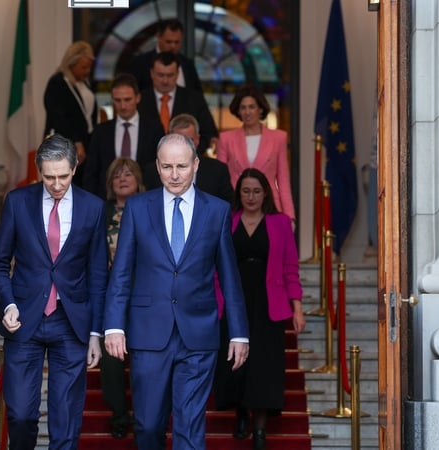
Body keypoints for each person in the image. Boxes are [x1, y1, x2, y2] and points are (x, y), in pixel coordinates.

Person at [104, 133, 250, 450]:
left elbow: (230, 276)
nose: (174, 174)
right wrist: (114, 325)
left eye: (181, 166)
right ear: (157, 167)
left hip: (198, 332)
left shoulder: (217, 210)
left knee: (190, 425)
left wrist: (239, 332)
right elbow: (122, 271)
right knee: (148, 425)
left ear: (196, 164)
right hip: (148, 331)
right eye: (167, 166)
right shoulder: (137, 207)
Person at [0, 134, 108, 450]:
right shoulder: (18, 202)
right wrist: (8, 304)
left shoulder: (94, 208)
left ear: (75, 168)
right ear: (39, 171)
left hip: (71, 322)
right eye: (49, 177)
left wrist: (95, 333)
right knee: (20, 416)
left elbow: (98, 276)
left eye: (63, 176)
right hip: (23, 319)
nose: (56, 184)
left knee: (66, 421)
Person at [214, 168, 305, 450]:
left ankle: (260, 429)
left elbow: (290, 267)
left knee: (264, 365)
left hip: (269, 302)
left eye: (256, 191)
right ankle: (241, 413)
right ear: (238, 193)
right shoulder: (227, 220)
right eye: (246, 191)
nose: (251, 196)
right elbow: (215, 265)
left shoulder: (280, 223)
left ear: (266, 193)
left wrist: (297, 308)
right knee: (235, 361)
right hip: (234, 300)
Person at [98, 158, 146, 438]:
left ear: (138, 180)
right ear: (110, 183)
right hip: (109, 295)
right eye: (117, 175)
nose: (123, 178)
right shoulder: (100, 213)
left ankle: (145, 417)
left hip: (143, 294)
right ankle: (119, 416)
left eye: (128, 174)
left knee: (144, 360)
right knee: (111, 362)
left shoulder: (150, 209)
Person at [217, 84, 296, 221]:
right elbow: (220, 180)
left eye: (252, 107)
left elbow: (283, 180)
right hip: (236, 207)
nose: (247, 112)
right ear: (238, 111)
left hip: (269, 205)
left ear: (260, 109)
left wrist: (290, 216)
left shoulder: (279, 138)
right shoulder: (226, 139)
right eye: (243, 107)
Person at [83, 73, 165, 199]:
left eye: (127, 100)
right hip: (108, 201)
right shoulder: (101, 131)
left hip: (146, 198)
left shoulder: (154, 129)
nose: (123, 106)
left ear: (138, 98)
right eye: (117, 100)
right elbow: (91, 172)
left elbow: (161, 166)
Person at [137, 51, 218, 154]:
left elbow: (208, 134)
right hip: (148, 161)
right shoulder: (139, 100)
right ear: (152, 73)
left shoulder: (194, 99)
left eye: (170, 75)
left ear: (177, 74)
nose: (165, 81)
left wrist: (188, 153)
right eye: (160, 75)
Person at [43, 41, 98, 186]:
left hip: (87, 141)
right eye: (84, 67)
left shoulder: (84, 83)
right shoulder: (58, 83)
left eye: (89, 67)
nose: (87, 71)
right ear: (71, 64)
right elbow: (59, 117)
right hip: (66, 144)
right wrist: (76, 141)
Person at [143, 113, 233, 201]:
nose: (184, 146)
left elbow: (227, 205)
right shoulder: (152, 171)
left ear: (198, 139)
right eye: (179, 140)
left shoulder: (218, 170)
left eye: (189, 140)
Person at [129, 18, 202, 93]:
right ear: (158, 37)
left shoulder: (188, 65)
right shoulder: (140, 63)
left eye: (177, 42)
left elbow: (197, 96)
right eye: (168, 42)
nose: (173, 46)